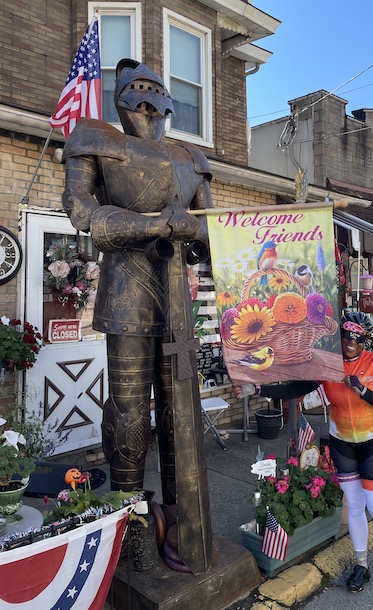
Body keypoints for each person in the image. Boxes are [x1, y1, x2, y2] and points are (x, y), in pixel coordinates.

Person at [61, 59, 213, 501]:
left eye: (155, 90)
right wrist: (157, 227)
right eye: (137, 89)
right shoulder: (95, 138)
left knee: (179, 409)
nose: (147, 100)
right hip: (126, 295)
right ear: (121, 96)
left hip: (177, 303)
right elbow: (81, 210)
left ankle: (181, 515)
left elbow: (213, 232)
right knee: (128, 413)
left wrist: (192, 230)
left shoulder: (191, 158)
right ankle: (131, 518)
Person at [234, 310, 373, 605]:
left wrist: (363, 391)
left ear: (365, 339)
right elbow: (296, 387)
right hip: (342, 441)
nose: (351, 343)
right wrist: (257, 388)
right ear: (340, 336)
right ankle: (361, 565)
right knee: (354, 506)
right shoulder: (328, 364)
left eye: (358, 338)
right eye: (346, 337)